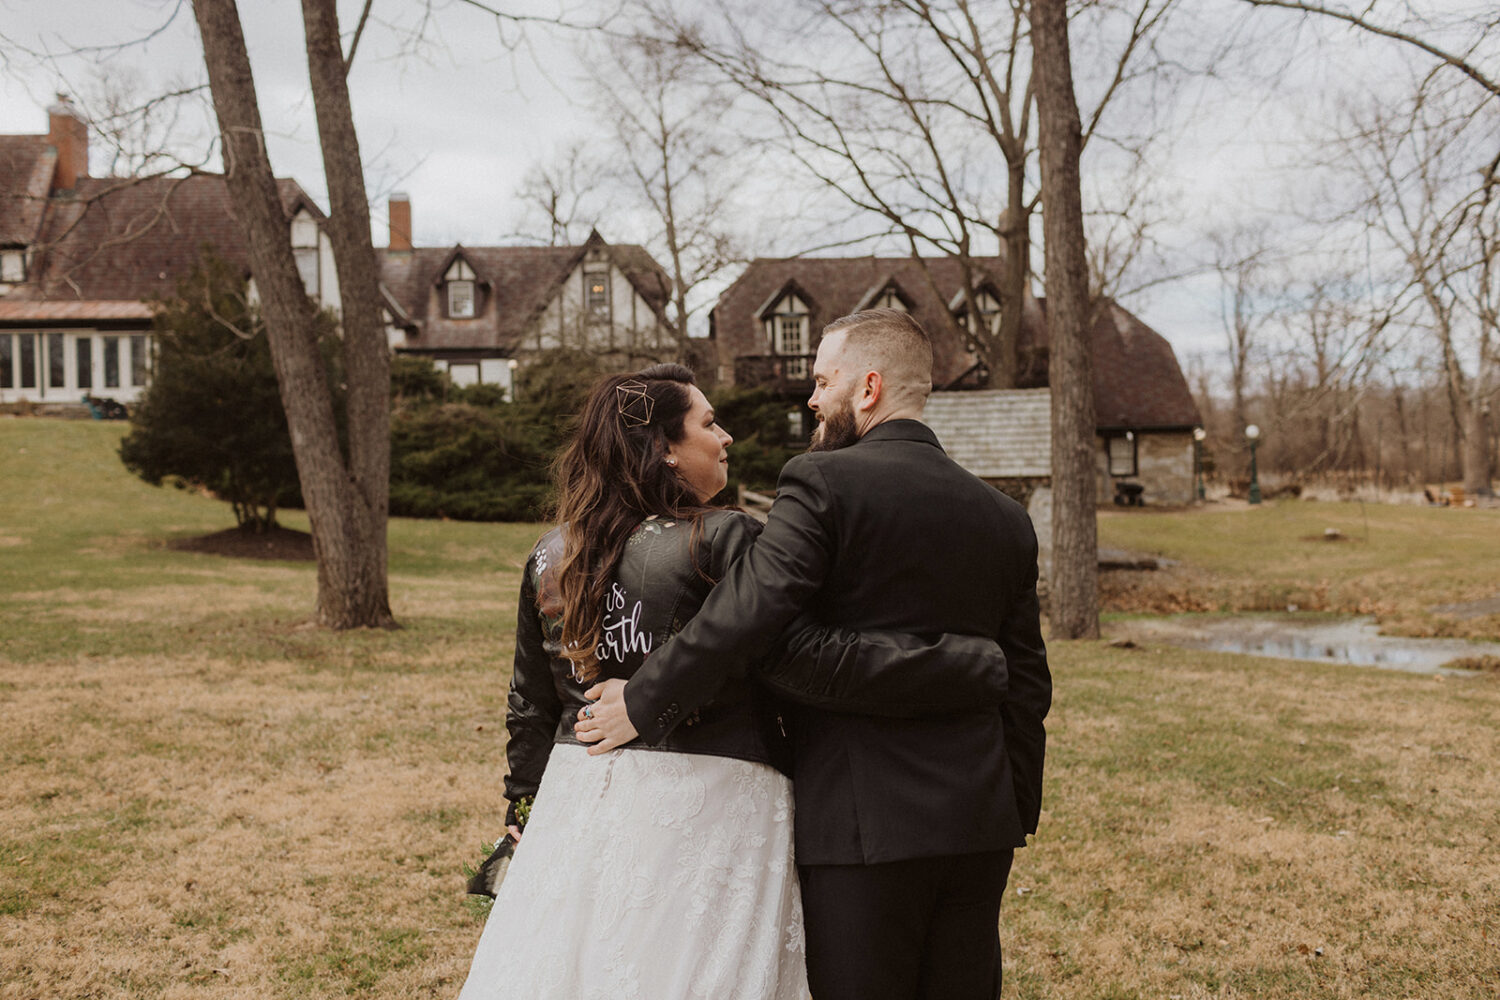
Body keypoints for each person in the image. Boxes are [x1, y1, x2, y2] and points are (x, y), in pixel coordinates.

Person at [457, 362, 1013, 1000]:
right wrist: (962, 662)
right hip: (714, 799)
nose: (726, 438)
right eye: (709, 423)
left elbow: (529, 702)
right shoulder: (724, 537)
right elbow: (795, 660)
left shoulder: (552, 555)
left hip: (577, 803)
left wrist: (522, 812)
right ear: (663, 449)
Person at [577, 312, 1052, 1000]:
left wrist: (645, 700)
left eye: (823, 380)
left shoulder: (821, 483)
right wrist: (1014, 805)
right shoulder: (1005, 517)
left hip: (860, 828)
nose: (811, 398)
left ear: (868, 388)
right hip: (979, 821)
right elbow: (1028, 684)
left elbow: (750, 617)